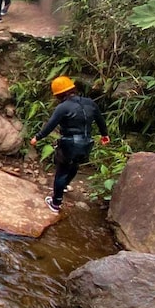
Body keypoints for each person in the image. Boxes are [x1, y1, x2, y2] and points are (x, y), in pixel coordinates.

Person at [30, 76, 110, 213]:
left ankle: (56, 203)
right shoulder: (90, 103)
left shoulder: (63, 107)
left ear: (58, 94)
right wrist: (105, 135)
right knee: (75, 166)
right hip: (86, 143)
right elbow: (100, 121)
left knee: (61, 172)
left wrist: (37, 138)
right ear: (73, 88)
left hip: (69, 143)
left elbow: (50, 125)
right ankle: (65, 186)